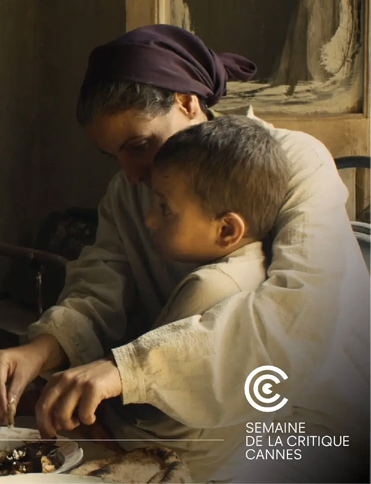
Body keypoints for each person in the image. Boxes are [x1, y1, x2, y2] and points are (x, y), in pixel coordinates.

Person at [0, 25, 369, 482]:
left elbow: (303, 311)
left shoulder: (294, 162)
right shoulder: (128, 191)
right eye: (114, 156)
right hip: (187, 417)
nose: (132, 173)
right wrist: (40, 350)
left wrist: (127, 370)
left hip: (305, 414)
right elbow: (101, 288)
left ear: (187, 102)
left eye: (139, 146)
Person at [90, 115, 290, 477]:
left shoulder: (209, 286)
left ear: (227, 229)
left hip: (171, 459)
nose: (150, 220)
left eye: (165, 209)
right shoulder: (255, 265)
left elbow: (154, 408)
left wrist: (92, 406)